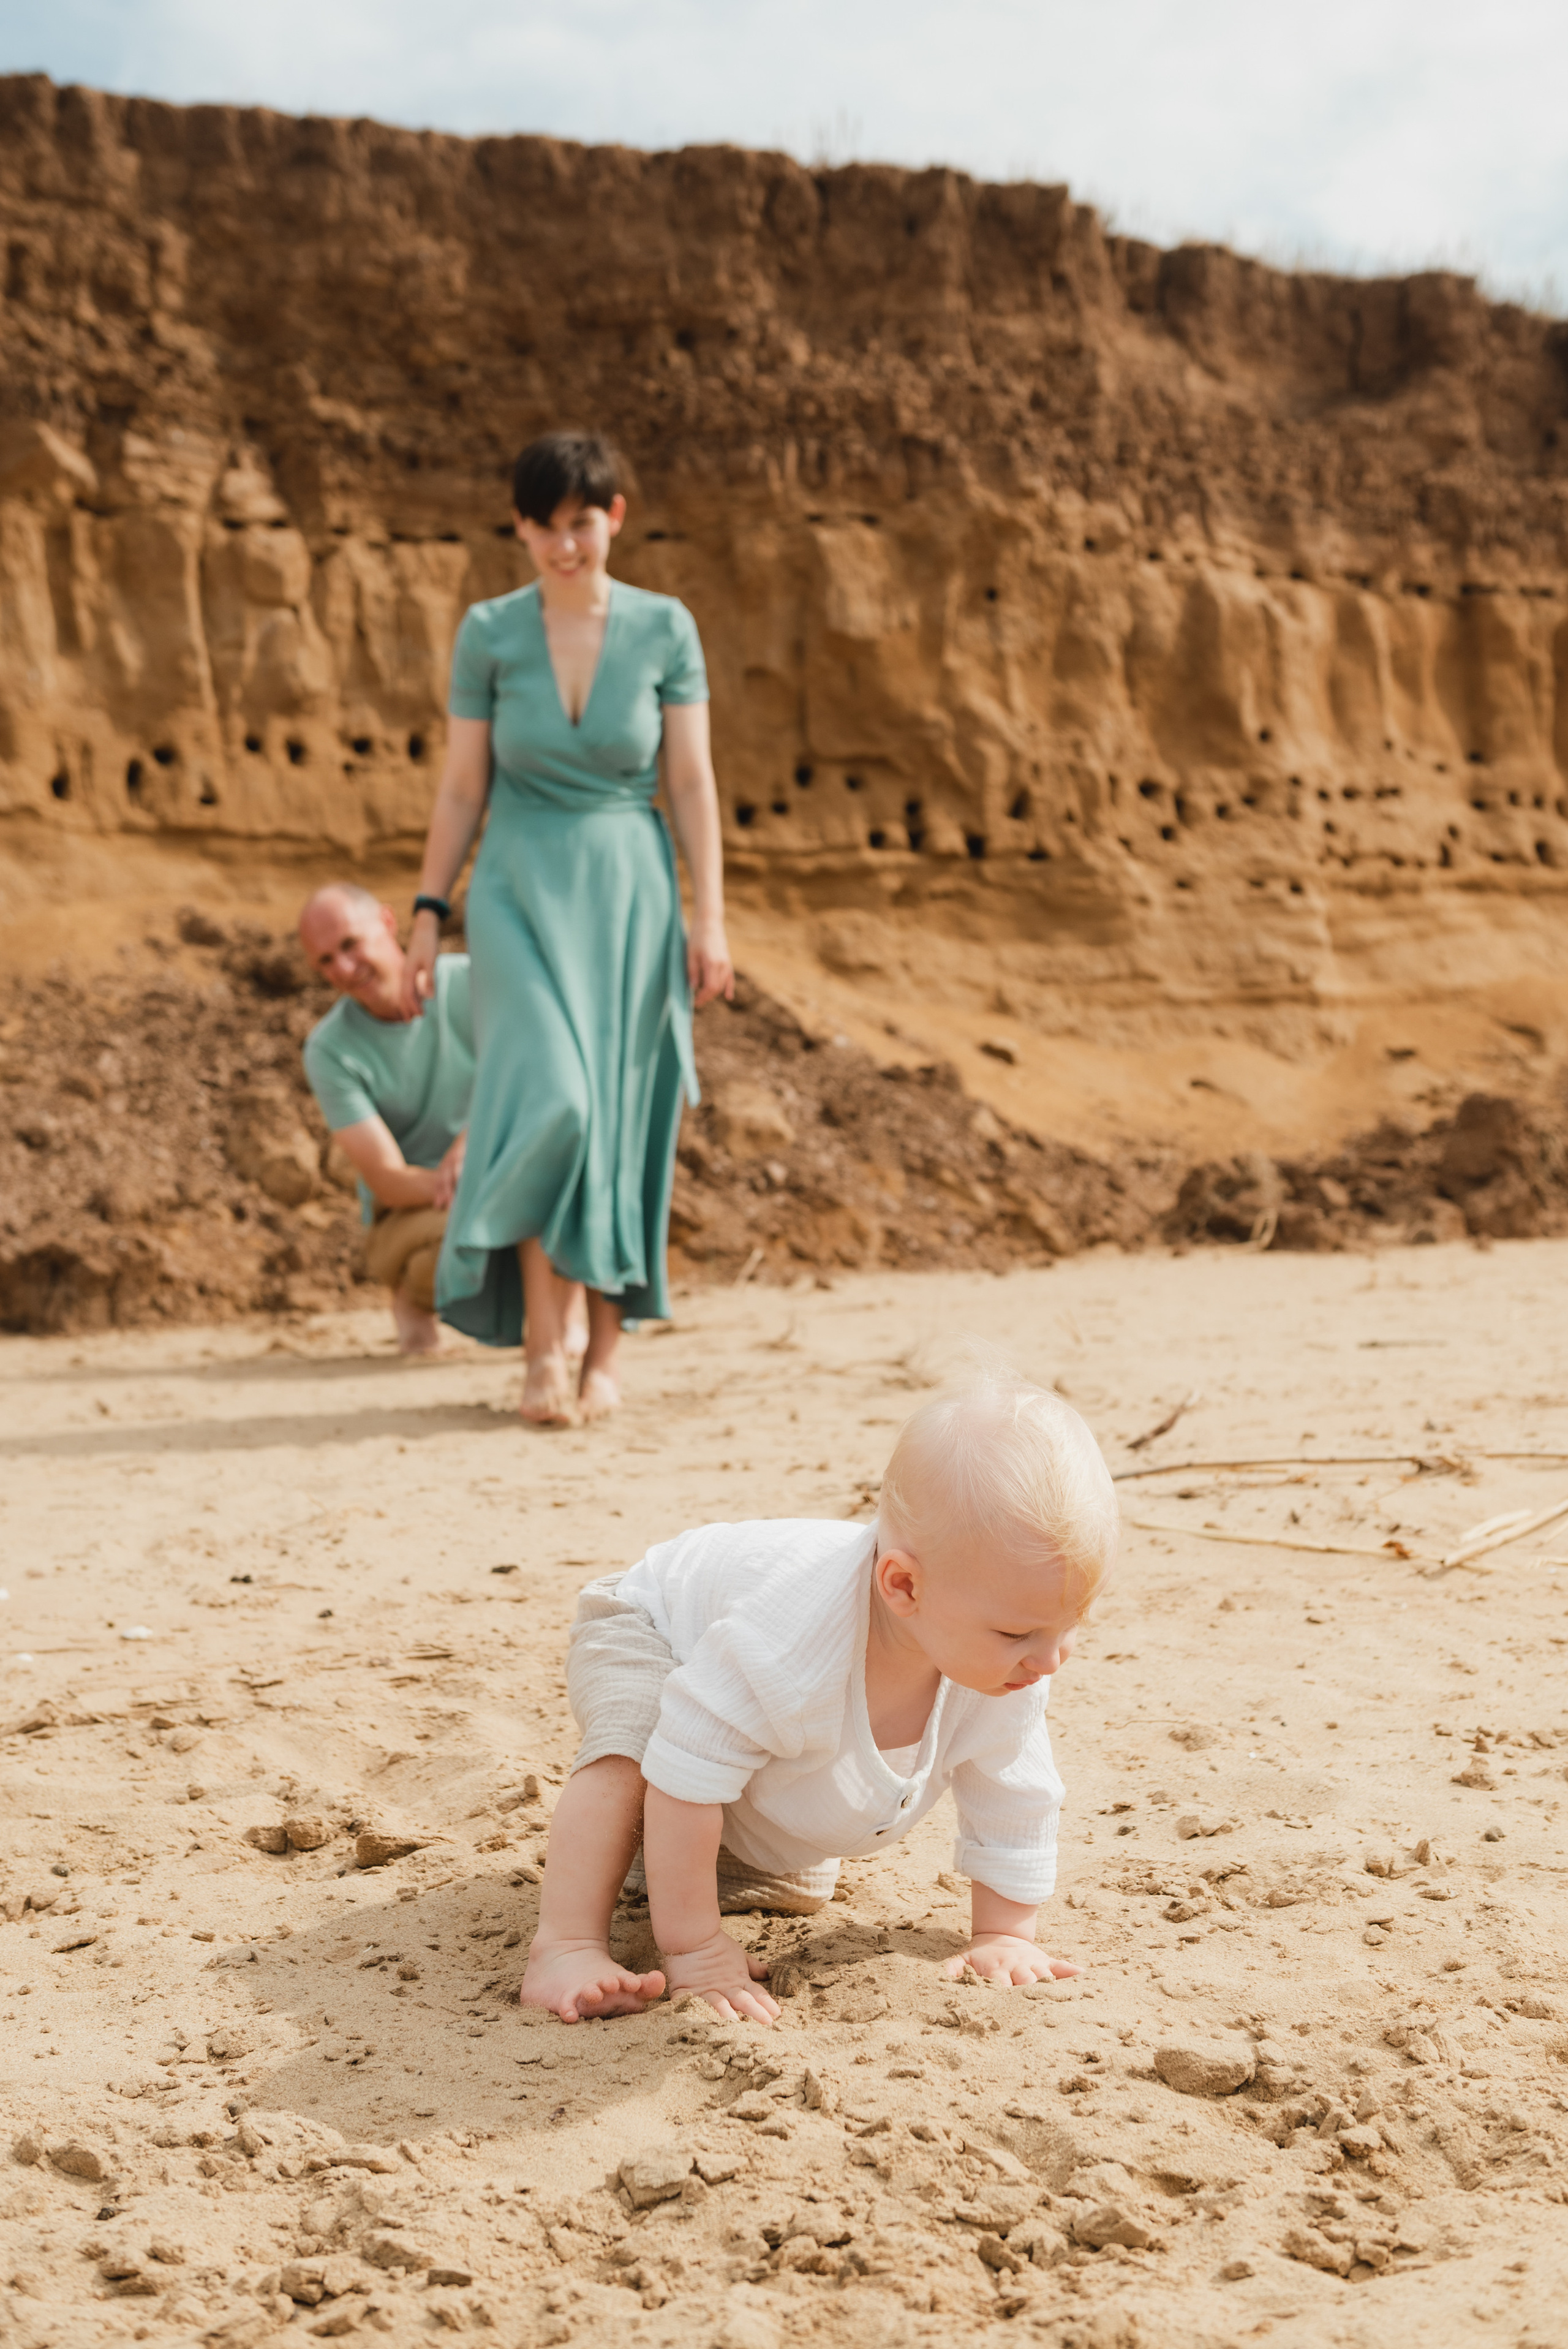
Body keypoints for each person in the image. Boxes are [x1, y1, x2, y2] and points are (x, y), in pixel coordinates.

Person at [518, 1367, 1119, 2024]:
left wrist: (1004, 1935)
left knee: (792, 1877)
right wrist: (693, 1948)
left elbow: (1016, 1790)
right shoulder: (788, 1640)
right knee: (634, 1755)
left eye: (1070, 1626)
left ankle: (645, 1859)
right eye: (1018, 1631)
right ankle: (567, 1944)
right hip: (654, 1622)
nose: (1051, 1657)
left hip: (740, 1688)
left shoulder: (1010, 1659)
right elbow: (686, 1772)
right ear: (905, 1588)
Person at [400, 429, 733, 1428]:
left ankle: (603, 1357)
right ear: (520, 526)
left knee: (624, 1115)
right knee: (554, 1099)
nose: (564, 546)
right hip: (514, 886)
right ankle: (545, 1341)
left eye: (581, 523)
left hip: (631, 889)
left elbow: (689, 781)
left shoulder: (667, 627)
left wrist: (709, 917)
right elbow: (462, 788)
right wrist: (427, 911)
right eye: (543, 527)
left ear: (616, 516)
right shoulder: (488, 633)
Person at [298, 883, 586, 1358]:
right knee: (472, 1239)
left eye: (350, 945)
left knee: (571, 1170)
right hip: (416, 1212)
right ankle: (414, 1297)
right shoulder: (330, 1050)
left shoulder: (477, 984)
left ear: (388, 924)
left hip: (508, 1171)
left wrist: (477, 1141)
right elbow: (389, 1180)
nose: (344, 969)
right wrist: (472, 1190)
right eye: (325, 962)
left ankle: (566, 1314)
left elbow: (543, 1079)